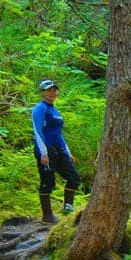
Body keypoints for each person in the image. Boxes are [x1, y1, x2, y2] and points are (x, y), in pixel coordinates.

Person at [32, 79, 82, 223]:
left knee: (74, 178)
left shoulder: (55, 111)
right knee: (47, 182)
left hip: (59, 149)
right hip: (46, 150)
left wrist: (67, 151)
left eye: (54, 90)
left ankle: (68, 210)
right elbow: (37, 130)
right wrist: (43, 153)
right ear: (42, 92)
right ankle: (47, 216)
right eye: (48, 90)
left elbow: (58, 134)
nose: (52, 93)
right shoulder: (40, 108)